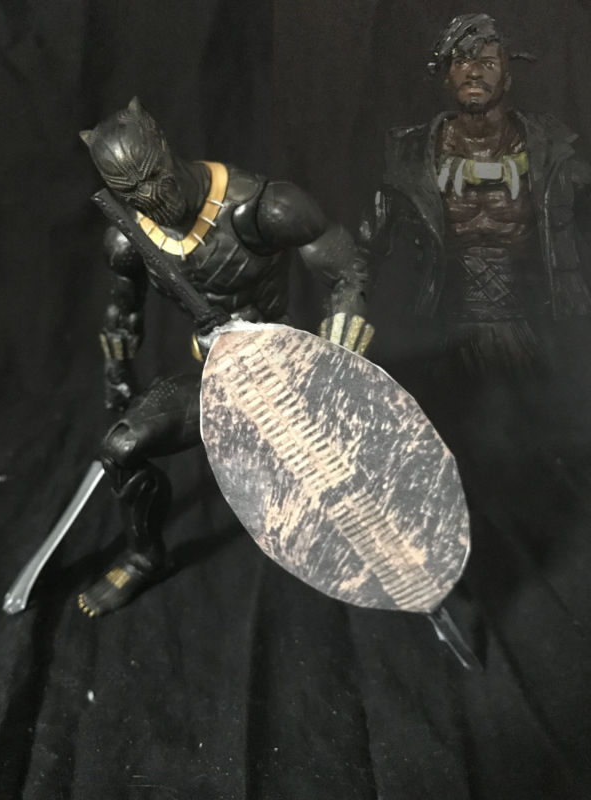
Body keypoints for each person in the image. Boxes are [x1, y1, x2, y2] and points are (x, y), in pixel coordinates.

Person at [77, 97, 372, 616]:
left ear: (165, 150)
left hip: (286, 374)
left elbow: (347, 270)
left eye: (154, 178)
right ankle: (145, 558)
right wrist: (117, 373)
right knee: (121, 446)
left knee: (344, 497)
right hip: (215, 379)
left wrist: (343, 337)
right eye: (133, 192)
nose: (151, 198)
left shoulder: (261, 207)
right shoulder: (128, 238)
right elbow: (122, 316)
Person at [360, 13, 591, 518]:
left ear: (508, 74)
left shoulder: (552, 151)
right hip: (440, 327)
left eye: (487, 61)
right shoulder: (410, 155)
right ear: (445, 76)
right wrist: (348, 309)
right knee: (438, 457)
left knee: (540, 470)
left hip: (533, 324)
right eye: (460, 61)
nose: (473, 71)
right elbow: (365, 248)